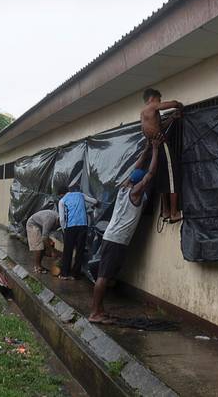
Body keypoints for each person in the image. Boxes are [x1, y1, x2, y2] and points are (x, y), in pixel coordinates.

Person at [89, 133, 162, 324]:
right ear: (138, 183)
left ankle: (100, 310)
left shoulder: (123, 188)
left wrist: (145, 149)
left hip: (112, 237)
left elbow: (137, 169)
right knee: (103, 277)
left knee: (105, 275)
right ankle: (95, 313)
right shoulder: (136, 192)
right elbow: (150, 174)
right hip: (117, 240)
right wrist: (155, 149)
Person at [140, 87, 183, 223]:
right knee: (172, 176)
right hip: (161, 145)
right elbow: (169, 105)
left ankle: (165, 211)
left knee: (162, 178)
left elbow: (159, 127)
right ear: (152, 99)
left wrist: (171, 118)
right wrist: (178, 104)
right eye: (159, 100)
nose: (159, 102)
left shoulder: (144, 114)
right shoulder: (152, 106)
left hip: (154, 149)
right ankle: (174, 213)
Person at [58, 184, 98, 280]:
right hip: (83, 226)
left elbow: (62, 219)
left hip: (70, 227)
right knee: (80, 250)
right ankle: (75, 275)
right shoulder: (80, 195)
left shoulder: (62, 201)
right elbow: (94, 201)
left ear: (61, 194)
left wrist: (64, 230)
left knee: (68, 250)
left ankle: (64, 274)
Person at [26, 209, 59, 273]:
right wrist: (52, 251)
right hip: (33, 224)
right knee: (39, 246)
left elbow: (46, 234)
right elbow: (44, 237)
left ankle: (39, 265)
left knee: (44, 245)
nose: (57, 227)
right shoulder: (50, 219)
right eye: (58, 226)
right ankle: (37, 267)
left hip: (39, 225)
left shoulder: (57, 218)